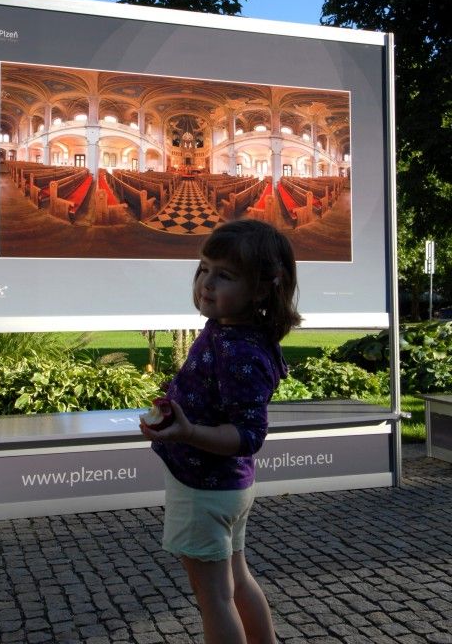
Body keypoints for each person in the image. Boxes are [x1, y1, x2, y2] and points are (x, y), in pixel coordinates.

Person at [140, 219, 301, 644]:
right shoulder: (232, 332)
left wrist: (187, 432)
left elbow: (248, 435)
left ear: (262, 289)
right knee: (236, 580)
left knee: (213, 597)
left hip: (204, 489)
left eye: (225, 275)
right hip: (225, 487)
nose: (206, 283)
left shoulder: (238, 350)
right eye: (203, 268)